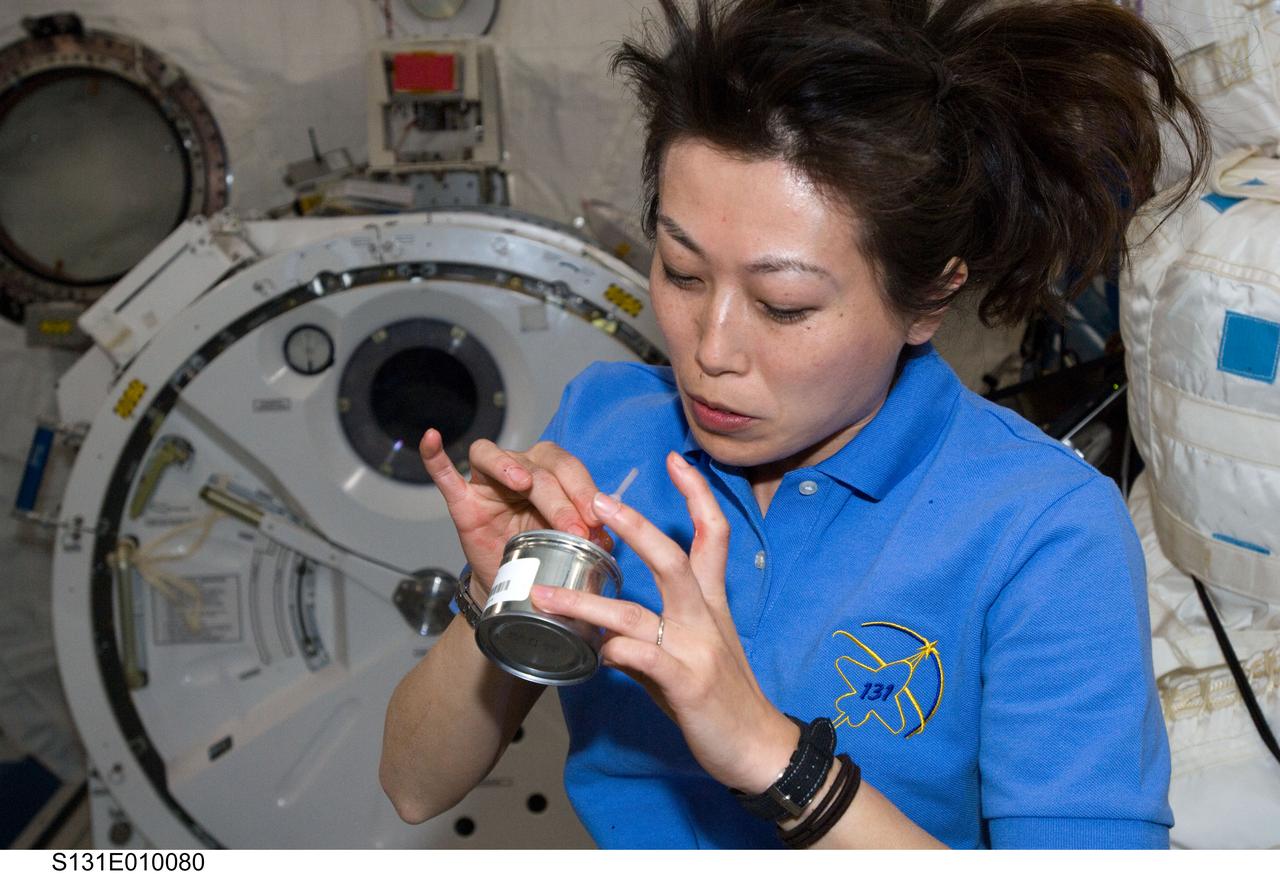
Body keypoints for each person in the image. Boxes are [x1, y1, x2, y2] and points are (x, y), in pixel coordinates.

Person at [380, 0, 1210, 849]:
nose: (712, 349)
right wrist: (496, 594)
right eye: (682, 271)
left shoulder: (1040, 526)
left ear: (928, 298)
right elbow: (413, 785)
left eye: (784, 306)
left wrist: (770, 754)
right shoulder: (607, 430)